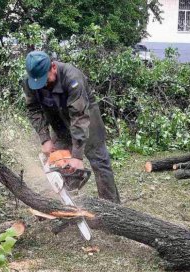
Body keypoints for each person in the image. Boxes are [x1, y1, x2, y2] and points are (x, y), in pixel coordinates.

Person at [22, 50, 120, 203]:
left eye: (45, 80)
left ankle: (113, 208)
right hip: (58, 121)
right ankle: (69, 204)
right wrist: (44, 138)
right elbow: (33, 109)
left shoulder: (72, 78)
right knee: (58, 163)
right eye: (38, 83)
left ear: (53, 67)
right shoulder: (30, 82)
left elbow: (79, 116)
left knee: (99, 162)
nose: (42, 85)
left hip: (86, 118)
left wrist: (77, 155)